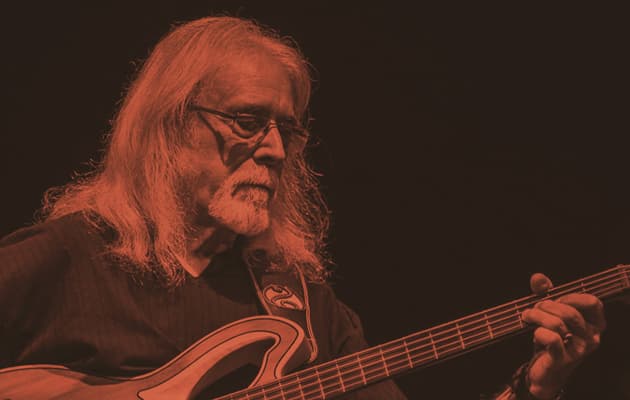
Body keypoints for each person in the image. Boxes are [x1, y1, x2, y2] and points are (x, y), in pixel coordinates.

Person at [0, 16, 606, 399]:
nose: (274, 149)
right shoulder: (65, 259)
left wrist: (534, 390)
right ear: (170, 126)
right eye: (247, 121)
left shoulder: (305, 308)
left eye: (286, 130)